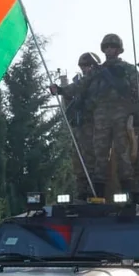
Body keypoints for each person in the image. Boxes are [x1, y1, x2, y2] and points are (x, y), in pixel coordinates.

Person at [89, 33, 139, 200]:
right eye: (106, 47)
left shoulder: (128, 69)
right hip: (101, 117)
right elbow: (81, 85)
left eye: (112, 47)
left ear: (119, 50)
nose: (109, 50)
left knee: (123, 153)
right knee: (100, 154)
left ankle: (128, 192)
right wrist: (61, 90)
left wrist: (137, 112)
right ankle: (98, 193)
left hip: (122, 115)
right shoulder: (97, 71)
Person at [49, 52, 101, 200]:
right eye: (83, 66)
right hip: (80, 125)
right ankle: (82, 190)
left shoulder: (100, 81)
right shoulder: (81, 82)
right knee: (78, 158)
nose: (86, 69)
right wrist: (60, 91)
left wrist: (62, 90)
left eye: (89, 65)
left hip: (96, 124)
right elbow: (71, 93)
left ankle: (94, 189)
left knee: (92, 157)